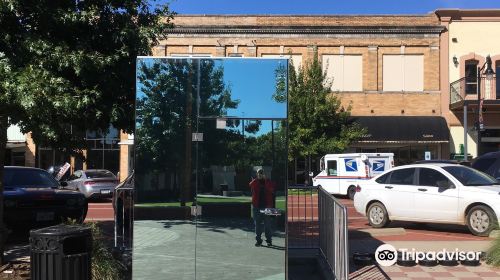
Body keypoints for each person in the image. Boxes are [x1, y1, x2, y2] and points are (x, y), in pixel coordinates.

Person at [249, 168, 275, 247]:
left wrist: (265, 180)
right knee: (257, 225)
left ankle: (269, 240)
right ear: (257, 174)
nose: (260, 174)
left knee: (267, 225)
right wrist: (256, 179)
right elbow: (250, 184)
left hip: (267, 206)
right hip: (257, 206)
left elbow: (272, 189)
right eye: (258, 173)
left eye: (261, 173)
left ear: (264, 173)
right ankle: (258, 240)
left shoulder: (268, 181)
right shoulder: (255, 181)